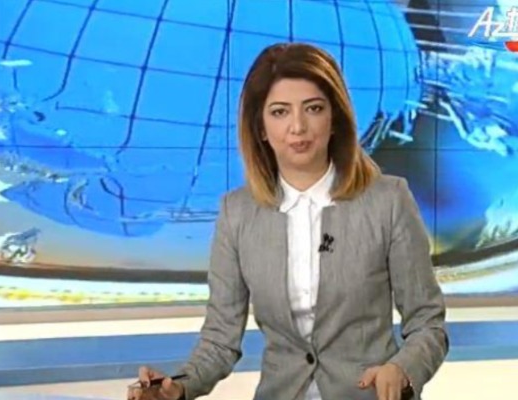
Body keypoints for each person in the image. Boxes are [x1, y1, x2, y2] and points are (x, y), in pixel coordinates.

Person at [127, 42, 449, 400]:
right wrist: (178, 387)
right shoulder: (237, 213)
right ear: (261, 128)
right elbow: (219, 341)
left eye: (313, 108)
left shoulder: (388, 201)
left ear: (334, 119)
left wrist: (402, 369)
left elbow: (428, 324)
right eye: (280, 112)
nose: (298, 126)